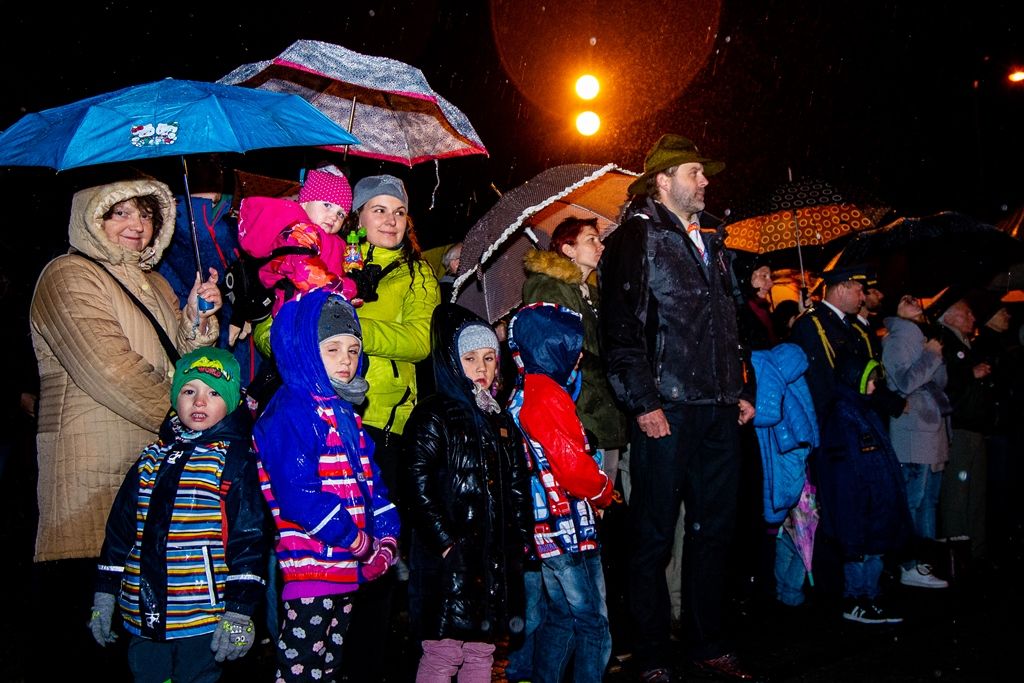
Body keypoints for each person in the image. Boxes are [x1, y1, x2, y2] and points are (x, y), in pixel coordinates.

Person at [29, 177, 222, 677]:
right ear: (91, 217)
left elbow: (184, 368)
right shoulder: (68, 275)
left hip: (150, 484)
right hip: (92, 479)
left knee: (140, 650)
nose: (137, 225)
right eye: (120, 213)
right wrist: (192, 419)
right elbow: (110, 370)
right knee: (85, 643)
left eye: (145, 213)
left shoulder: (154, 282)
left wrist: (197, 324)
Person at [598, 134, 757, 683]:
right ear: (663, 182)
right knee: (653, 533)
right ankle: (650, 653)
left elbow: (732, 324)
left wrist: (743, 389)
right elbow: (619, 330)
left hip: (717, 408)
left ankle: (706, 640)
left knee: (714, 530)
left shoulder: (711, 239)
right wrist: (643, 403)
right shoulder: (635, 238)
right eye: (695, 172)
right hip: (666, 409)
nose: (705, 181)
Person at [88, 348, 268, 682]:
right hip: (141, 610)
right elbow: (120, 531)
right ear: (175, 398)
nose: (200, 401)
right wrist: (105, 593)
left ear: (231, 402)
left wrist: (240, 612)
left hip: (202, 615)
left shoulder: (234, 460)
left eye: (214, 393)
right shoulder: (150, 458)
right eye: (189, 391)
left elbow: (249, 540)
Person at [253, 289, 400, 682]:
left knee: (329, 665)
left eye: (353, 350)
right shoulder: (291, 412)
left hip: (345, 567)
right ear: (304, 349)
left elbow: (373, 485)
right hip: (311, 569)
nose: (347, 361)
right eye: (332, 349)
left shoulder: (343, 412)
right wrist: (359, 541)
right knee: (300, 668)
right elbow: (300, 497)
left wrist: (386, 537)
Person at [334, 173, 440, 680]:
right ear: (357, 217)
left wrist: (350, 324)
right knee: (325, 550)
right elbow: (276, 334)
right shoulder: (327, 263)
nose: (391, 220)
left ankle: (365, 666)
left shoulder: (417, 276)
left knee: (375, 553)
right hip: (325, 425)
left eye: (397, 211)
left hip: (385, 429)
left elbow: (419, 341)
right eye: (378, 209)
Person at [403, 303, 532, 683]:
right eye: (470, 358)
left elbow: (517, 486)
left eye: (489, 358)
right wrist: (445, 541)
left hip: (492, 558)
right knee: (444, 650)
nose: (481, 367)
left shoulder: (499, 418)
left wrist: (520, 539)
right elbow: (416, 483)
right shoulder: (434, 415)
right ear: (452, 362)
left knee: (482, 649)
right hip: (450, 560)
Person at [506, 301, 615, 683]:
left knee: (562, 618)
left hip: (546, 531)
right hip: (567, 527)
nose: (579, 354)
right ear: (553, 347)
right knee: (592, 622)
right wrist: (603, 489)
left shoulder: (523, 391)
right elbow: (573, 468)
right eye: (572, 345)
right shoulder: (547, 396)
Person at [816, 356, 911, 624]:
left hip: (875, 499)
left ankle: (871, 597)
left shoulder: (863, 410)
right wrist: (854, 505)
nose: (874, 385)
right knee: (858, 552)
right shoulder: (842, 415)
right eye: (870, 380)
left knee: (874, 551)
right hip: (860, 502)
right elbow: (841, 470)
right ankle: (855, 600)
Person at [157, 154, 261, 387]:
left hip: (239, 346)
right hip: (211, 349)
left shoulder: (226, 222)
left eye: (220, 164)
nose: (218, 171)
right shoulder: (188, 227)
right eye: (207, 163)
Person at [881, 294, 951, 589]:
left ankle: (924, 561)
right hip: (914, 432)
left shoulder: (922, 339)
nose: (913, 300)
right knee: (913, 500)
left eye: (915, 299)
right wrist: (931, 355)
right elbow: (903, 382)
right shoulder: (898, 339)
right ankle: (909, 563)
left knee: (927, 501)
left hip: (929, 429)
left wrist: (932, 353)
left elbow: (941, 382)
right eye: (904, 299)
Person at [238, 165, 358, 324]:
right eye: (327, 205)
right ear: (304, 203)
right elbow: (306, 274)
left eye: (341, 214)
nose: (334, 216)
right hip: (293, 315)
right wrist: (350, 287)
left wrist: (355, 275)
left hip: (319, 308)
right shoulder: (298, 232)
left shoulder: (331, 240)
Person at [935, 295, 995, 565]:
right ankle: (958, 558)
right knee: (958, 497)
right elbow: (942, 385)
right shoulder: (945, 344)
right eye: (966, 313)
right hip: (958, 429)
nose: (972, 318)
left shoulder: (966, 345)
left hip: (974, 428)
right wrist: (970, 375)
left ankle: (976, 553)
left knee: (975, 495)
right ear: (948, 317)